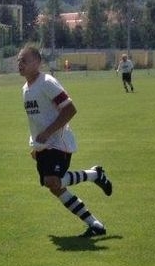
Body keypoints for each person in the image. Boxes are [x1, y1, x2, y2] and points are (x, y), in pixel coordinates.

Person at [16, 46, 113, 237]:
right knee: (54, 187)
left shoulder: (47, 82)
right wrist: (35, 146)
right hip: (44, 145)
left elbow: (70, 109)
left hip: (58, 143)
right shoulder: (26, 89)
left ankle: (94, 175)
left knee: (52, 181)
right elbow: (35, 120)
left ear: (37, 63)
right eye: (19, 60)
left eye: (24, 60)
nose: (20, 64)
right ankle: (95, 224)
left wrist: (48, 132)